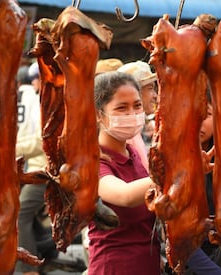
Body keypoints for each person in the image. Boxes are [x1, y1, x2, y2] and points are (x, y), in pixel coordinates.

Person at [87, 71, 160, 274]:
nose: (132, 114)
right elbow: (125, 195)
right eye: (121, 108)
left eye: (137, 105)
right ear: (98, 114)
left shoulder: (133, 152)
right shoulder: (94, 161)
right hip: (114, 267)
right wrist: (175, 172)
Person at [15, 61, 48, 275]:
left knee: (20, 211)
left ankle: (28, 269)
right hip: (32, 165)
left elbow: (40, 143)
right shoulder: (36, 100)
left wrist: (9, 149)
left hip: (46, 170)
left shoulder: (42, 102)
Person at [117, 60, 158, 149]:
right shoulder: (126, 134)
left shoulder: (135, 130)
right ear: (135, 92)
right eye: (150, 88)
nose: (156, 96)